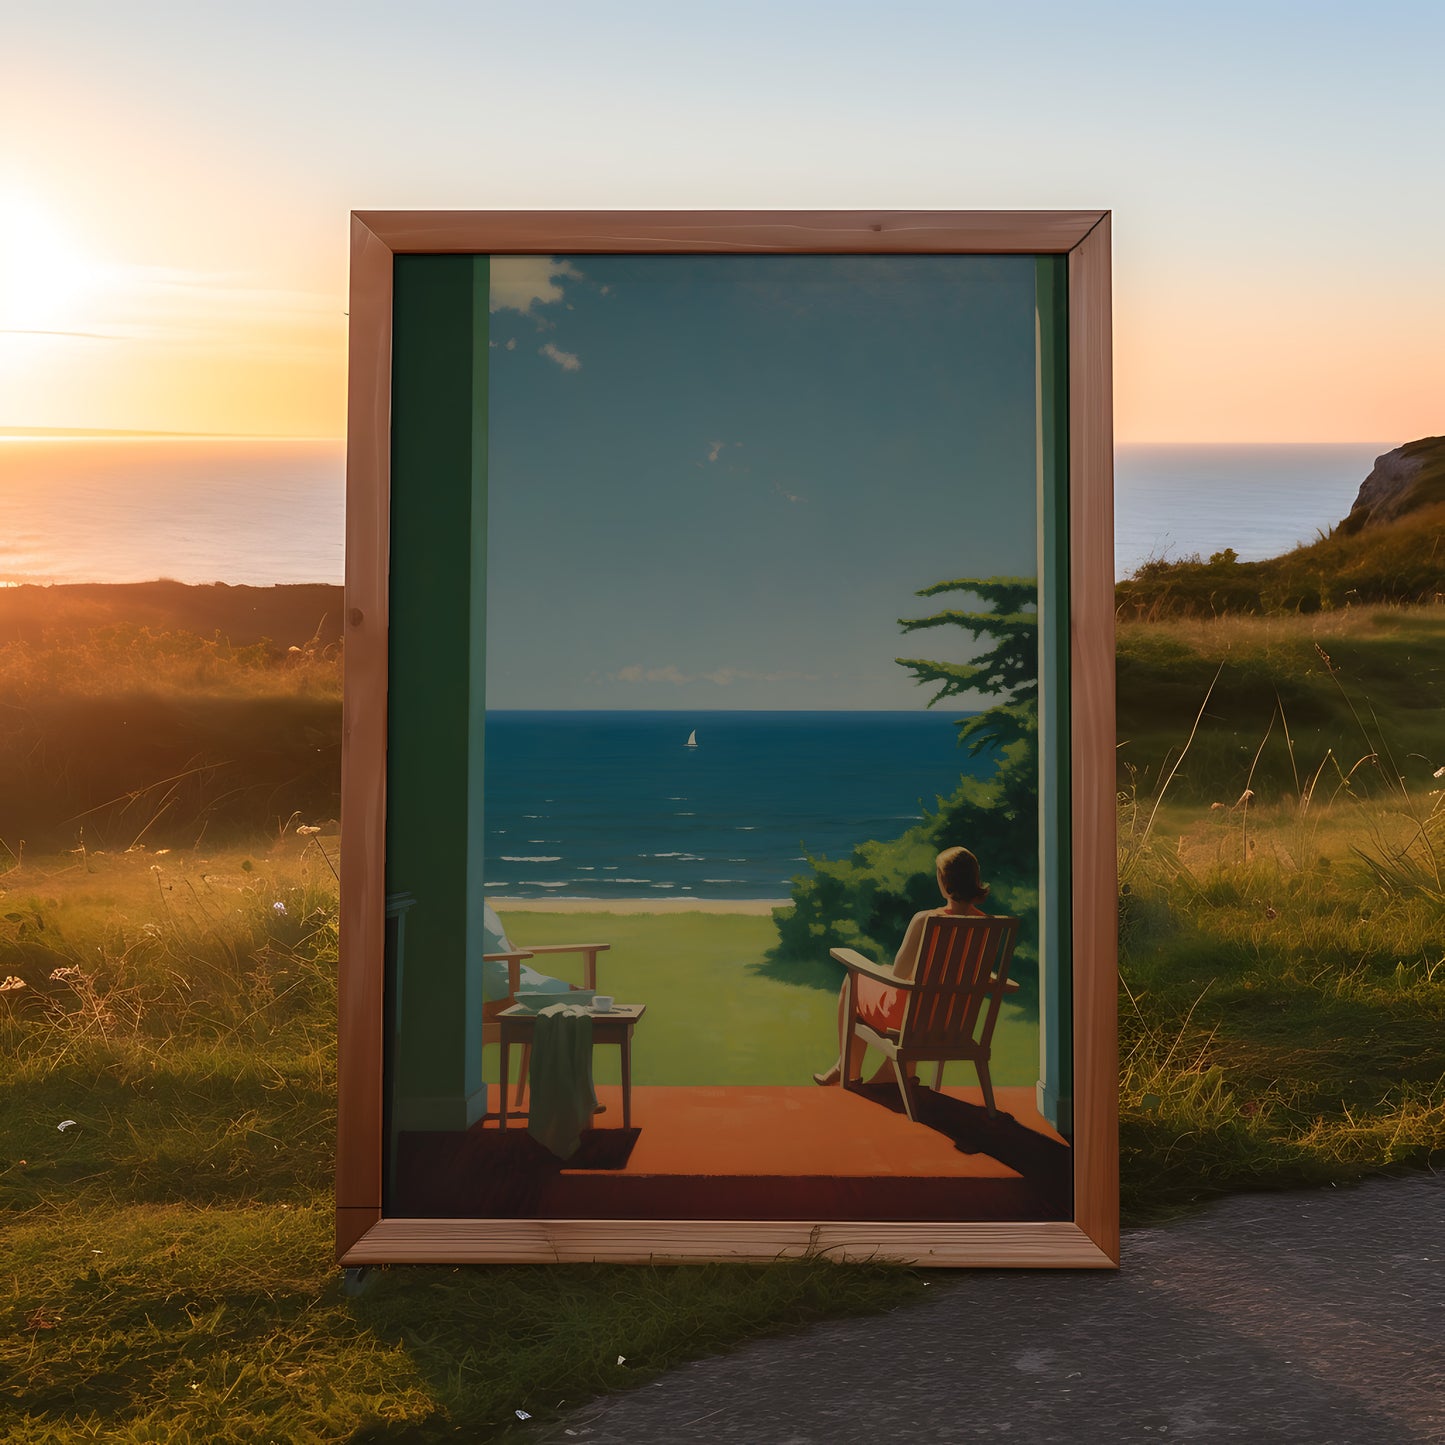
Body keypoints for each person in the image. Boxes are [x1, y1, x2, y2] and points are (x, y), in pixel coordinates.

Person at [811, 845, 990, 1087]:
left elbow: (898, 974)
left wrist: (884, 969)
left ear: (944, 881)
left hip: (910, 1020)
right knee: (893, 990)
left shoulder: (926, 919)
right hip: (953, 1023)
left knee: (852, 980)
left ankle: (848, 1069)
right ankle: (894, 1074)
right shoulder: (985, 925)